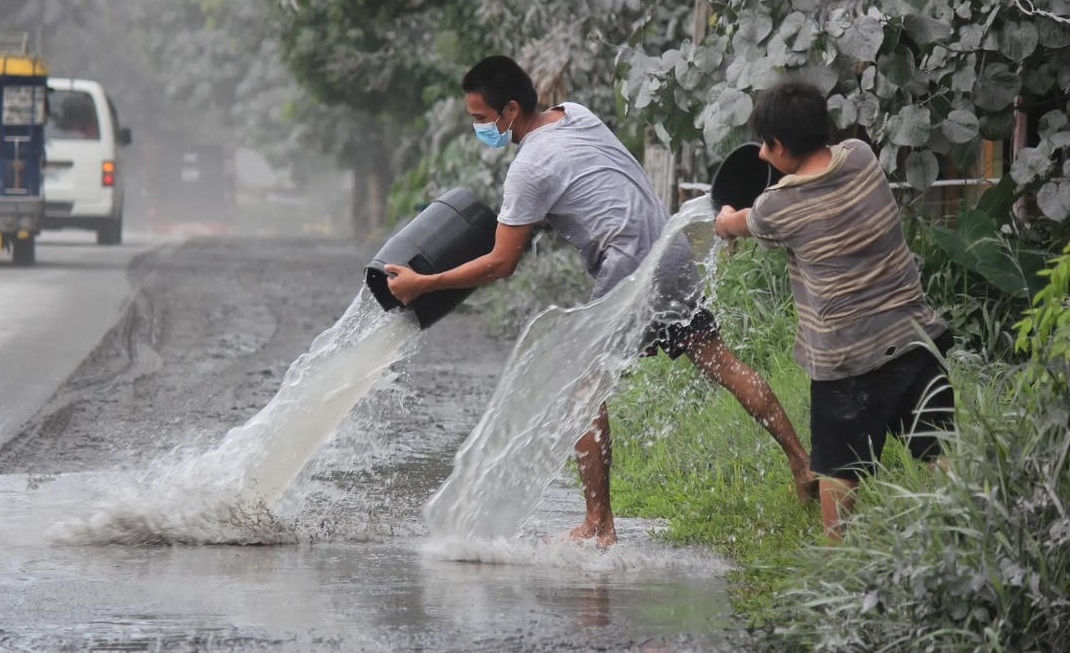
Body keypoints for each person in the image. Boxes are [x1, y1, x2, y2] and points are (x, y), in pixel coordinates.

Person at [385, 55, 814, 547]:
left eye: (483, 119)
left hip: (628, 266)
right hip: (667, 249)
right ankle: (803, 464)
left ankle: (599, 524)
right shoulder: (577, 114)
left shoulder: (528, 169)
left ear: (509, 110)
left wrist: (425, 282)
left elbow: (502, 264)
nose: (480, 128)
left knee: (581, 390)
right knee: (719, 361)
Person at [714, 80, 953, 540]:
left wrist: (724, 220)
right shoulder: (862, 157)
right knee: (938, 447)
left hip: (847, 361)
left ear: (781, 146)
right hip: (915, 336)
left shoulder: (778, 206)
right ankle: (966, 532)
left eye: (767, 145)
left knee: (839, 466)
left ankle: (838, 557)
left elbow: (737, 223)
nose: (762, 155)